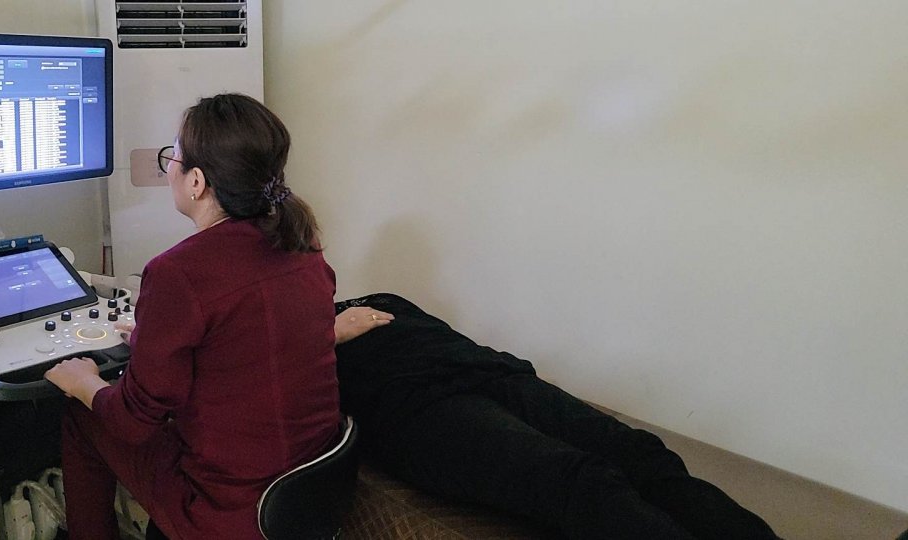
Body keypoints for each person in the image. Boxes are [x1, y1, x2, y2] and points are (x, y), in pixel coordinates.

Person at [44, 94, 342, 540]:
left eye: (174, 158)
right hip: (311, 491)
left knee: (81, 414)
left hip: (229, 513)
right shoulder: (303, 244)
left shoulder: (177, 272)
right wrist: (150, 341)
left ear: (196, 181)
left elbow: (132, 422)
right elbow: (244, 344)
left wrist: (84, 381)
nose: (170, 169)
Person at [331, 293, 779, 540]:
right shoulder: (303, 341)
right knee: (579, 480)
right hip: (416, 409)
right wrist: (324, 334)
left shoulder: (383, 297)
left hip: (489, 370)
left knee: (642, 454)